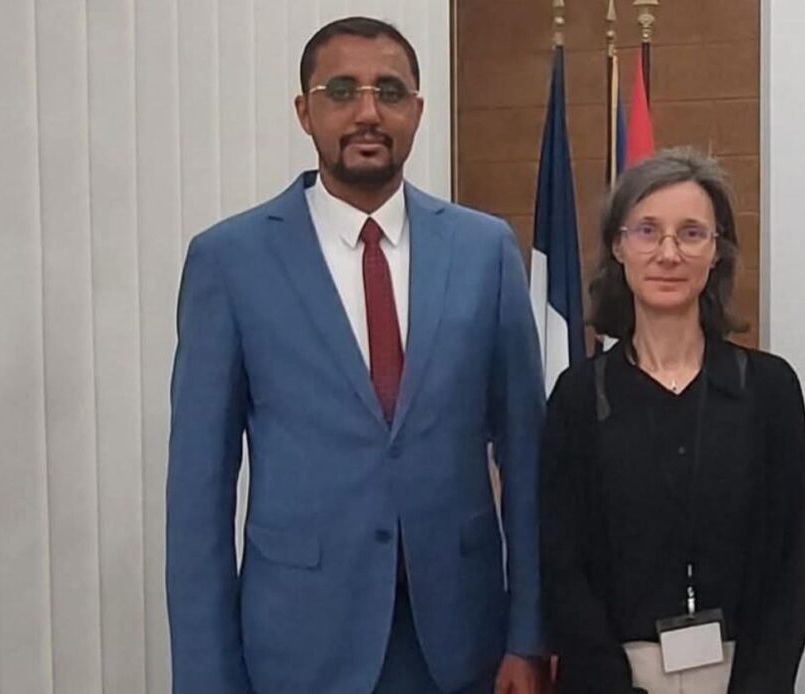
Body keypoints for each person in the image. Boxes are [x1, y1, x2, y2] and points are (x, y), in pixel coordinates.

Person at [166, 16, 546, 694]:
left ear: (418, 111)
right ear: (304, 111)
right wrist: (207, 678)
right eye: (341, 91)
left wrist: (530, 637)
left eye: (389, 92)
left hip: (462, 647)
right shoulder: (230, 261)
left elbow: (527, 456)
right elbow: (198, 494)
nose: (367, 111)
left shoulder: (484, 252)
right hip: (299, 649)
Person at [540, 148, 805, 693]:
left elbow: (790, 569)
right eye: (647, 231)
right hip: (612, 677)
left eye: (691, 233)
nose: (668, 253)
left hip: (740, 675)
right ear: (618, 246)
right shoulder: (577, 397)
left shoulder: (769, 390)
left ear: (716, 252)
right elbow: (562, 566)